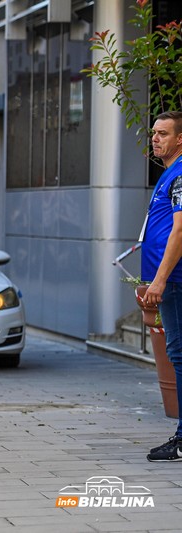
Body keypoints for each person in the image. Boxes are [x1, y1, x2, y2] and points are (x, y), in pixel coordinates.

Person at [141, 111, 182, 461]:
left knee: (180, 357)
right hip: (172, 280)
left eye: (163, 133)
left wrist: (160, 278)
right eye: (154, 132)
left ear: (180, 139)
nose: (155, 138)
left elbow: (180, 231)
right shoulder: (171, 174)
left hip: (177, 280)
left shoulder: (181, 175)